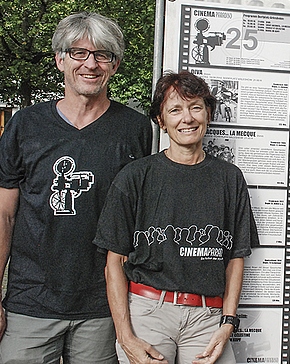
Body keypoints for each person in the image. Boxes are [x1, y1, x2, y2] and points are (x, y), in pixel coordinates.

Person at [0, 12, 152, 363]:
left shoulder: (137, 131)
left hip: (102, 306)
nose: (90, 64)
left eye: (102, 55)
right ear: (60, 60)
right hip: (30, 302)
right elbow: (2, 216)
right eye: (79, 53)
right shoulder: (26, 125)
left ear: (115, 64)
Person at [94, 71, 259, 364]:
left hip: (207, 318)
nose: (187, 118)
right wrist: (125, 334)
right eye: (175, 110)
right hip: (149, 313)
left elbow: (236, 257)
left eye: (195, 107)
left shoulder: (229, 178)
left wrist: (228, 322)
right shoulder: (136, 176)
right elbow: (113, 262)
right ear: (161, 120)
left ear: (208, 114)